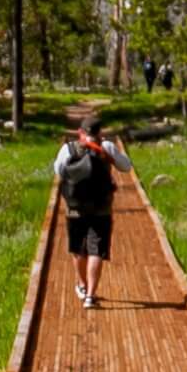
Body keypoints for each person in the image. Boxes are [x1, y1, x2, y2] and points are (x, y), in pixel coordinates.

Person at [52, 117, 133, 309]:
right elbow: (126, 167)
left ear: (81, 131)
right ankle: (90, 296)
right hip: (101, 208)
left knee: (78, 247)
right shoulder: (107, 147)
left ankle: (81, 284)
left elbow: (59, 170)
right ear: (100, 132)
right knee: (96, 249)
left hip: (75, 206)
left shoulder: (69, 148)